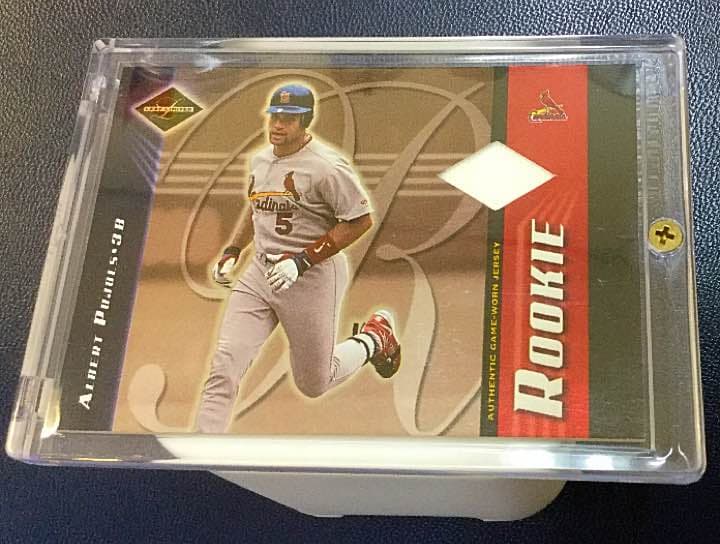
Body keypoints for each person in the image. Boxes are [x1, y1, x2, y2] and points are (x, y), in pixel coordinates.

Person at [195, 83, 401, 433]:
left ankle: (373, 339)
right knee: (225, 364)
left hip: (312, 277)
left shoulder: (326, 167)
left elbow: (360, 220)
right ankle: (203, 448)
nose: (278, 124)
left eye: (288, 118)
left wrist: (302, 261)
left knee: (314, 383)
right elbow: (259, 208)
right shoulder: (260, 160)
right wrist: (234, 249)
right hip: (260, 274)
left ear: (305, 120)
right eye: (275, 115)